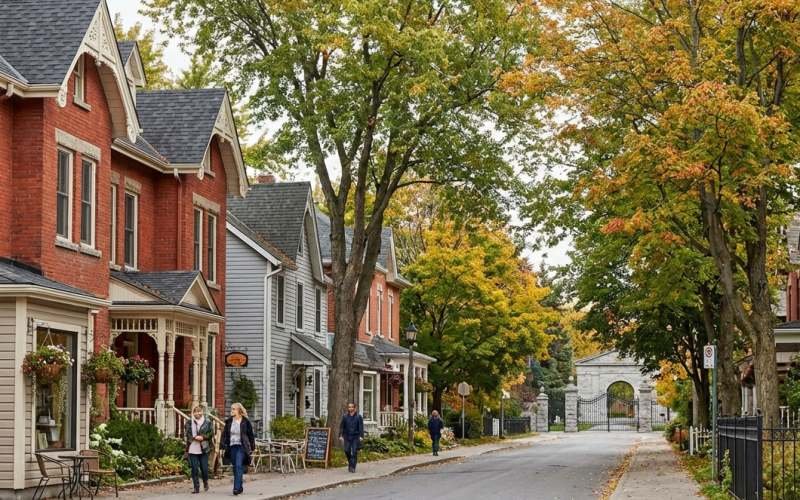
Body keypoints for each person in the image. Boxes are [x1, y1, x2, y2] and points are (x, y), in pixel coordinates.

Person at [221, 403, 255, 496]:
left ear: (239, 410)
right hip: (232, 446)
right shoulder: (228, 421)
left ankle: (236, 488)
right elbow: (224, 435)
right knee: (235, 467)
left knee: (239, 465)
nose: (231, 410)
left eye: (233, 409)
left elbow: (251, 435)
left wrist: (252, 447)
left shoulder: (245, 421)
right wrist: (222, 446)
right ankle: (240, 487)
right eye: (231, 409)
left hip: (241, 446)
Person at [185, 405, 214, 493]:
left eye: (199, 411)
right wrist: (194, 438)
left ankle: (205, 482)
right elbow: (187, 433)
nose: (197, 413)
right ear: (193, 413)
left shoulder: (207, 422)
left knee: (204, 469)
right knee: (194, 469)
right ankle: (196, 487)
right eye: (195, 411)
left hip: (204, 448)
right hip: (192, 448)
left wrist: (203, 437)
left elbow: (211, 433)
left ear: (202, 412)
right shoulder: (189, 423)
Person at [338, 402, 364, 473]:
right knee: (347, 450)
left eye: (352, 407)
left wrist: (361, 436)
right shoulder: (345, 416)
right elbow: (342, 427)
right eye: (349, 407)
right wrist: (340, 435)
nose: (350, 408)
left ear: (355, 408)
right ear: (348, 408)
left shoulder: (359, 417)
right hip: (347, 436)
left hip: (355, 436)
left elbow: (361, 427)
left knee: (355, 451)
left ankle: (353, 467)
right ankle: (350, 462)